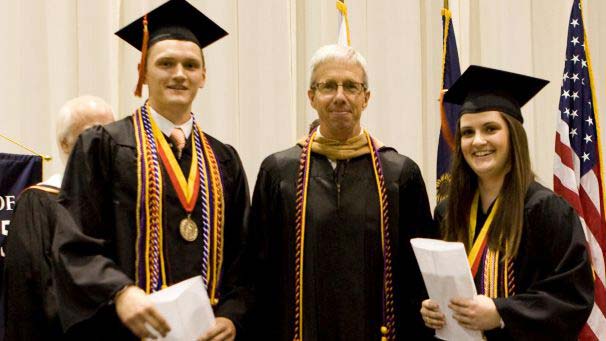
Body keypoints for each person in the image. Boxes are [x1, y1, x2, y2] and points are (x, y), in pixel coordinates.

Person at [52, 1, 250, 340]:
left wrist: (232, 316)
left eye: (190, 65)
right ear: (143, 71)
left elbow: (244, 259)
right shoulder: (102, 147)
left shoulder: (224, 159)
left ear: (203, 76)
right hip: (124, 331)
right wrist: (120, 292)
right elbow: (74, 243)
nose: (178, 74)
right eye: (165, 63)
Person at [246, 44, 436, 341]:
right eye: (328, 86)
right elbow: (259, 273)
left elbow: (418, 279)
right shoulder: (279, 171)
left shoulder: (400, 174)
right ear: (311, 97)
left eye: (351, 86)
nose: (340, 96)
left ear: (366, 97)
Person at [420, 65, 594, 340]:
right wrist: (433, 308)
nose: (478, 141)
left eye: (490, 128)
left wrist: (501, 313)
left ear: (513, 135)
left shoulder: (547, 211)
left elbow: (572, 297)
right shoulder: (448, 212)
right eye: (467, 132)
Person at [3, 95, 114, 340]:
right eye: (90, 134)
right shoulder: (38, 203)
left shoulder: (121, 203)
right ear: (64, 143)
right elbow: (27, 294)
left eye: (108, 135)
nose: (101, 144)